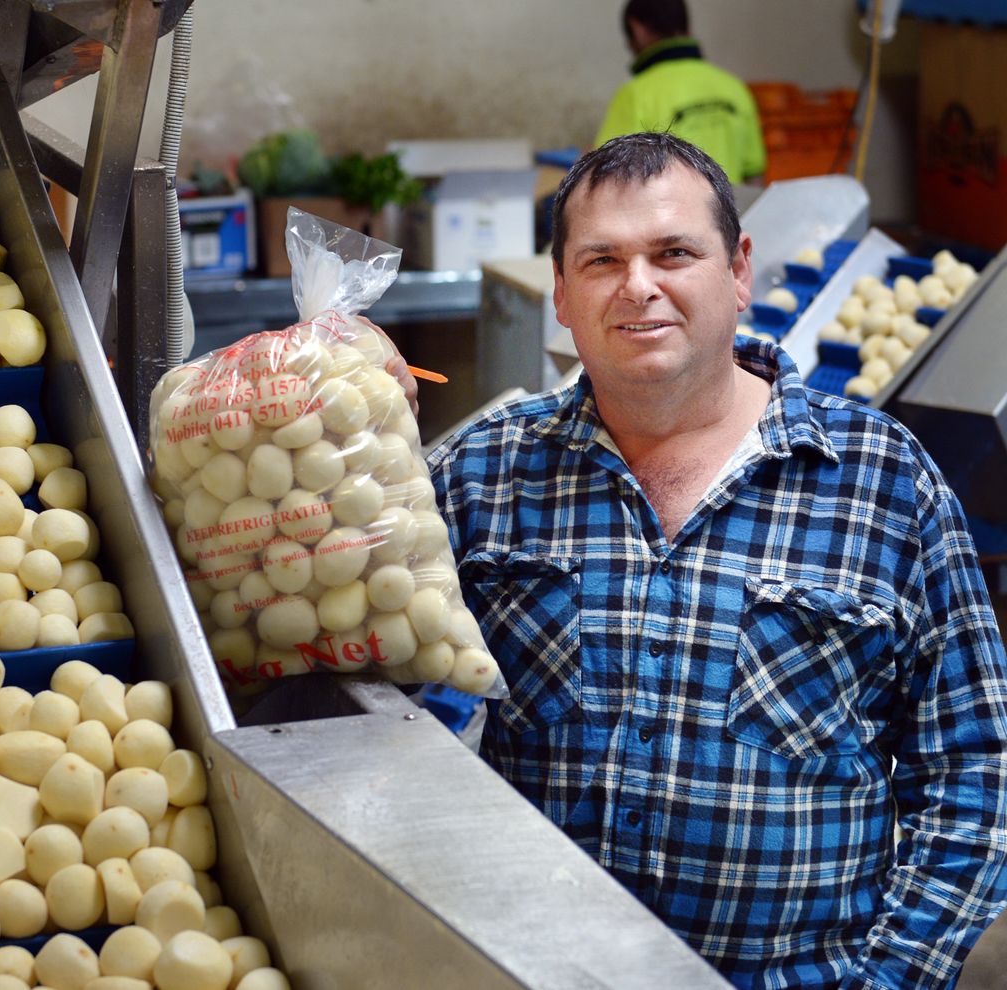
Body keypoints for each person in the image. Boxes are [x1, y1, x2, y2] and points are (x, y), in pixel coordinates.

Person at [425, 132, 1007, 988]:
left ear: (738, 271)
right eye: (600, 261)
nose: (638, 286)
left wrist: (894, 978)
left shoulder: (883, 483)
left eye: (673, 253)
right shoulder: (482, 477)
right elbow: (368, 694)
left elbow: (974, 767)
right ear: (559, 291)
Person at [595, 0, 765, 184]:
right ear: (686, 26)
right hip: (729, 211)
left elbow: (606, 177)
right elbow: (754, 174)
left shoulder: (634, 94)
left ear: (637, 29)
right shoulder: (734, 87)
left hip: (666, 212)